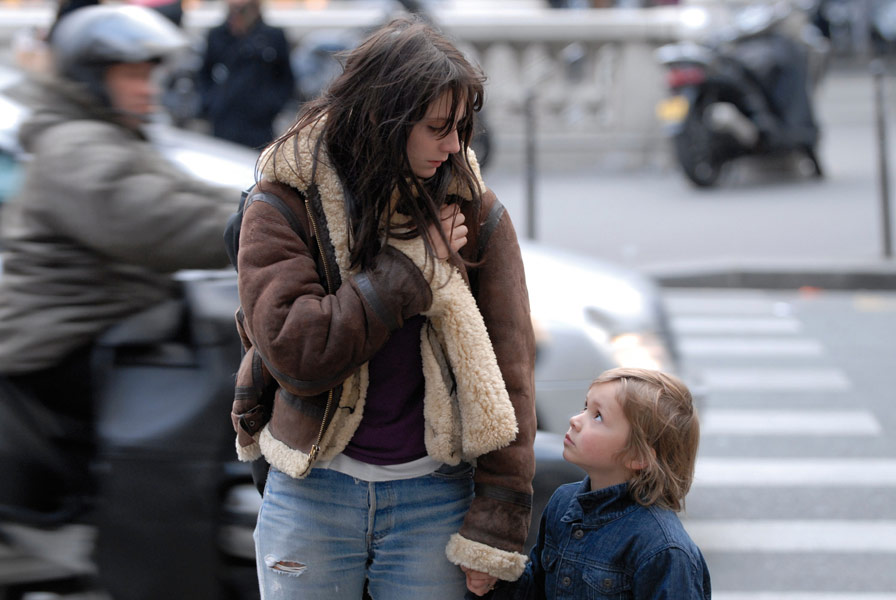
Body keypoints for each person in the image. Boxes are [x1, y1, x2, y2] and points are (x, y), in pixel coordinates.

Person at [230, 15, 537, 599]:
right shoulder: (281, 205)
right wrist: (413, 269)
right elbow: (301, 353)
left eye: (461, 127)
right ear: (383, 120)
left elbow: (511, 380)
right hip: (312, 491)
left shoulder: (474, 214)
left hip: (436, 501)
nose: (454, 146)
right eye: (438, 127)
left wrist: (498, 521)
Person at [0, 3, 239, 593]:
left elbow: (192, 193)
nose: (145, 87)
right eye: (130, 75)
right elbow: (152, 218)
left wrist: (278, 207)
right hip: (58, 336)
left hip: (105, 321)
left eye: (148, 73)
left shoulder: (112, 135)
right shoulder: (76, 146)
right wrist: (270, 230)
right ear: (89, 76)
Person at [468, 367, 711, 598]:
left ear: (638, 456)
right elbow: (537, 588)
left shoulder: (663, 550)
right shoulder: (563, 503)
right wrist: (496, 581)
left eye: (597, 416)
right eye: (585, 407)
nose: (575, 419)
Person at [197, 0, 295, 148]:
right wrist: (212, 102)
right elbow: (204, 74)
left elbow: (286, 79)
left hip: (259, 124)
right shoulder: (217, 35)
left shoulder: (273, 36)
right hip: (225, 120)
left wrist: (270, 105)